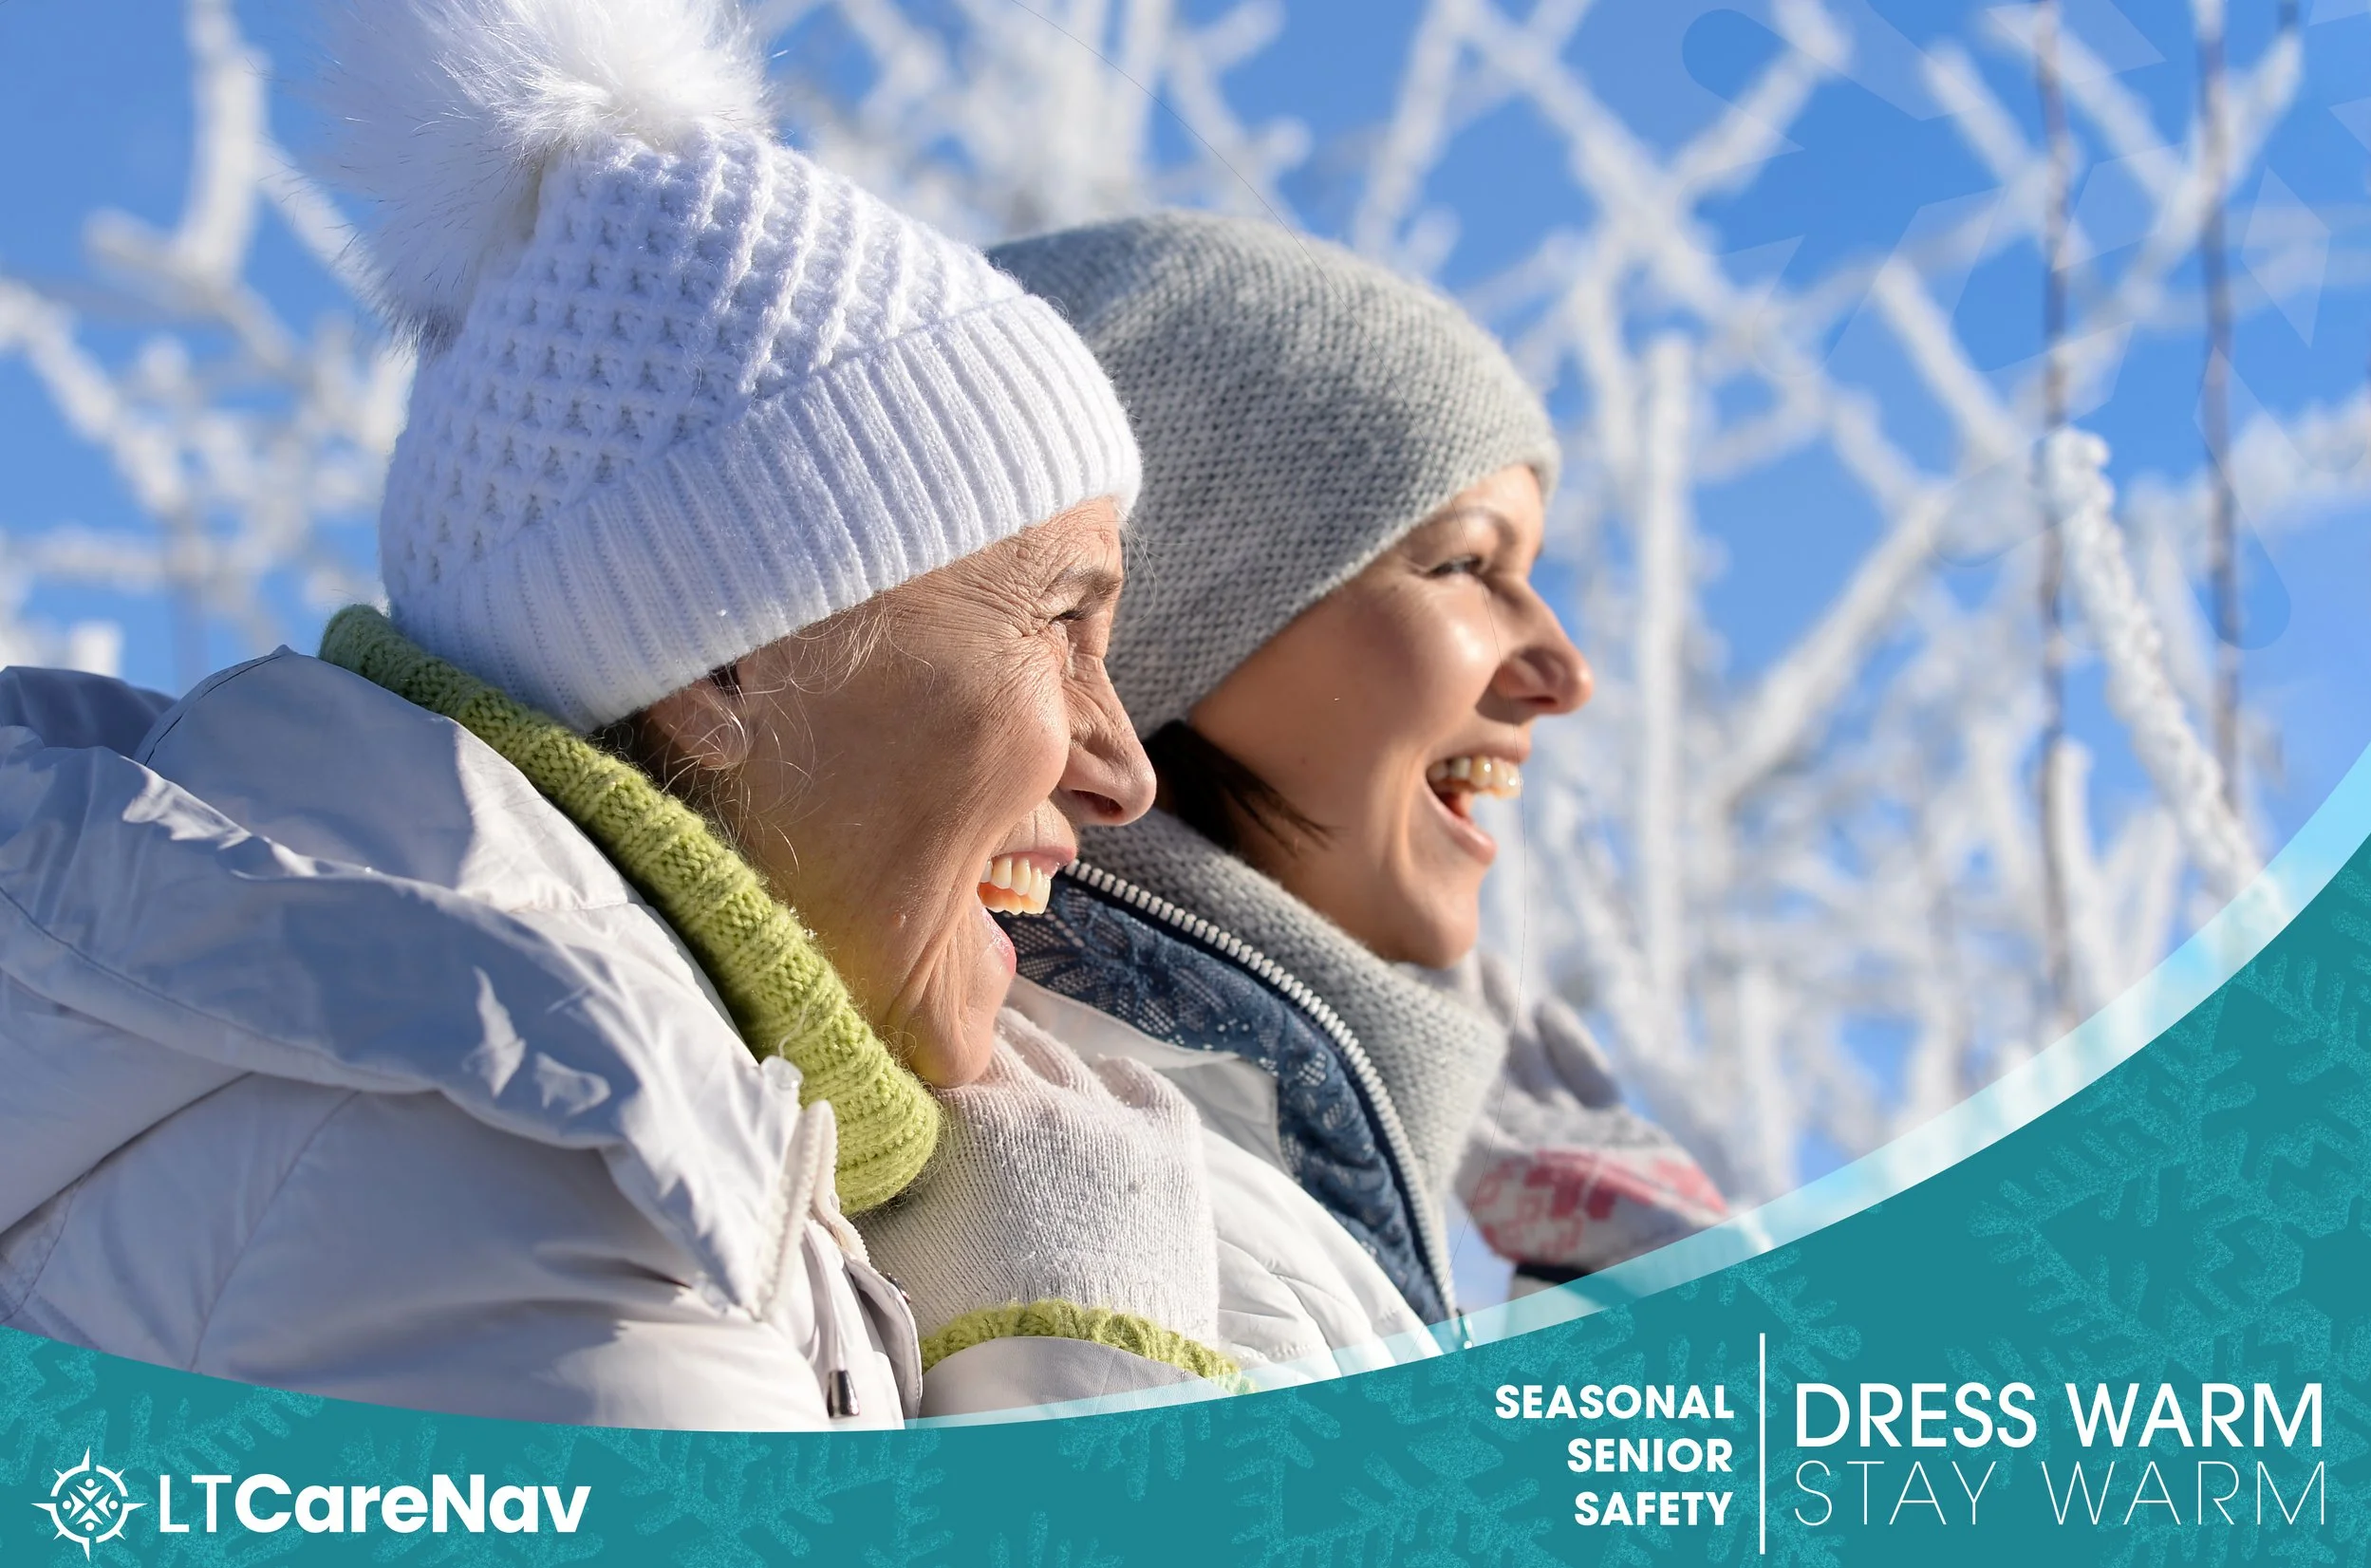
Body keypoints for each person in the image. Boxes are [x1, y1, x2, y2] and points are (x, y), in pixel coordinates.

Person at [0, 0, 1229, 1428]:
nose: (1123, 766)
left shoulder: (584, 1112)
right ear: (726, 668)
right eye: (1060, 627)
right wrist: (1087, 1359)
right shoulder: (530, 1180)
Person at [986, 214, 1727, 1375]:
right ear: (1157, 602)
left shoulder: (1254, 1196)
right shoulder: (1136, 1220)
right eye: (1469, 565)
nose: (1564, 673)